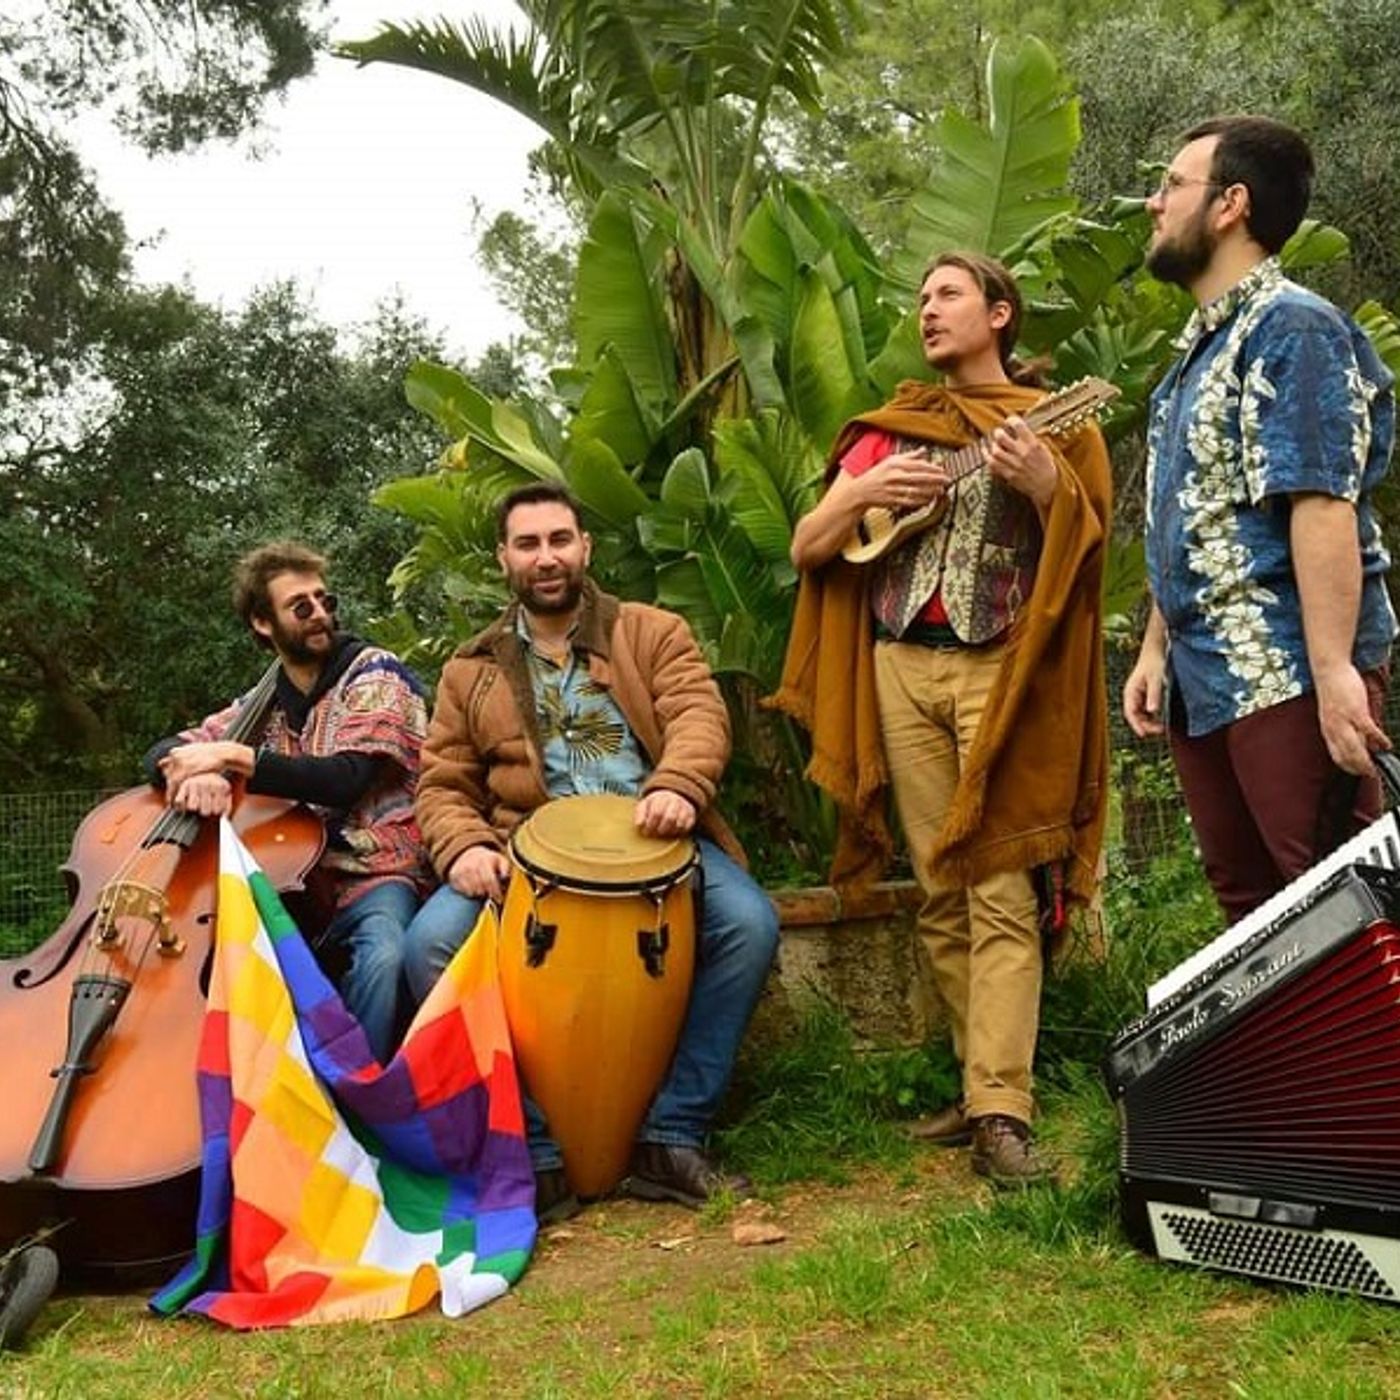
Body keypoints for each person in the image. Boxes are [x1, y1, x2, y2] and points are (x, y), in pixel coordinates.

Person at [771, 252, 1112, 1187]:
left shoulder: (1056, 422)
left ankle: (1002, 1110)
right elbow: (809, 547)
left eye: (948, 295)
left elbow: (1087, 546)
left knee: (998, 882)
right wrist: (859, 494)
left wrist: (1043, 485)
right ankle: (976, 1085)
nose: (928, 310)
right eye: (921, 298)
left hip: (1001, 669)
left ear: (1000, 314)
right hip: (897, 668)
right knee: (938, 887)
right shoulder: (894, 431)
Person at [404, 483, 779, 1220]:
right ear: (504, 558)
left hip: (659, 844)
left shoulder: (652, 632)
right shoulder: (469, 670)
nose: (546, 558)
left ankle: (673, 1136)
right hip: (524, 856)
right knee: (430, 948)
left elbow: (698, 714)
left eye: (559, 540)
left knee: (749, 924)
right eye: (528, 544)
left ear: (585, 547)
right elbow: (442, 782)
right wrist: (465, 848)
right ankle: (534, 1153)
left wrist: (678, 785)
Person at [1122, 116, 1396, 925]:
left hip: (1285, 667)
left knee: (1343, 906)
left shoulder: (1293, 327)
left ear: (1230, 204)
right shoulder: (1190, 363)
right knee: (1256, 927)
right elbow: (1190, 518)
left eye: (1172, 184)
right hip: (1202, 681)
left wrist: (1336, 672)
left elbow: (1322, 501)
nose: (1154, 202)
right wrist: (1155, 648)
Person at [143, 541, 433, 1064]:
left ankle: (357, 1090)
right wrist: (184, 769)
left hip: (376, 872)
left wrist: (235, 757)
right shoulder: (263, 702)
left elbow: (347, 779)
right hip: (290, 881)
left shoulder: (376, 673)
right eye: (301, 606)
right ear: (263, 623)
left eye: (325, 600)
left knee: (384, 956)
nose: (320, 613)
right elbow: (169, 749)